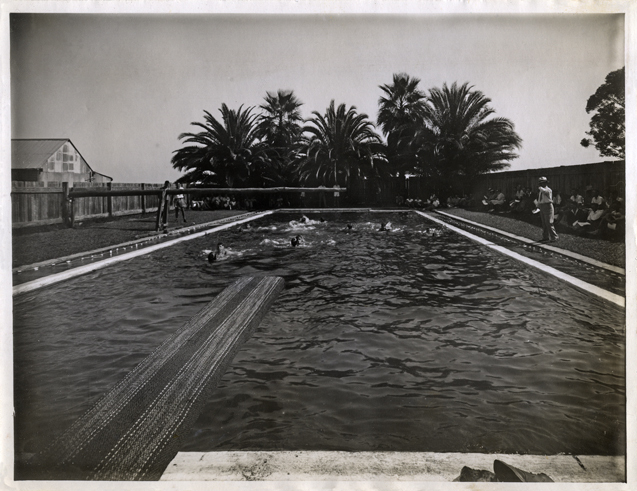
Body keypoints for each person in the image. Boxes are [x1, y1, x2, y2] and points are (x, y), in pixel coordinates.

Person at [537, 177, 558, 242]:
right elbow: (540, 199)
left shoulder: (548, 190)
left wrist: (540, 188)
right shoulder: (541, 190)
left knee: (549, 222)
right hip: (542, 206)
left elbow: (544, 192)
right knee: (544, 223)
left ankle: (554, 237)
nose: (541, 184)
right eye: (540, 183)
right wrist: (538, 205)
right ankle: (545, 237)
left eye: (543, 182)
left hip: (548, 206)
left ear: (546, 183)